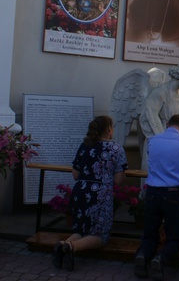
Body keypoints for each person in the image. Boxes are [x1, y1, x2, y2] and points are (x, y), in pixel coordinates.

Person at [52, 115, 127, 271]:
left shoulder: (85, 145)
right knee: (100, 235)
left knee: (81, 229)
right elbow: (119, 180)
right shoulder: (116, 149)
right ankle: (71, 247)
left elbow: (75, 174)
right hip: (100, 194)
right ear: (109, 129)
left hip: (81, 190)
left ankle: (63, 244)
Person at [134, 114, 179, 281]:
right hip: (173, 193)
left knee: (150, 231)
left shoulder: (153, 140)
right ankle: (161, 259)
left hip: (152, 192)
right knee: (174, 234)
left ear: (168, 124)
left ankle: (142, 255)